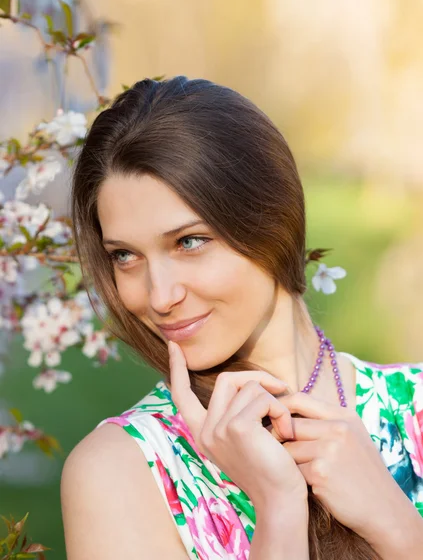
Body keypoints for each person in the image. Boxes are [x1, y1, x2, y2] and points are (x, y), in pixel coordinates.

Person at [61, 76, 423, 559]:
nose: (160, 296)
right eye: (126, 255)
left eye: (189, 242)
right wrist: (278, 510)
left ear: (271, 218)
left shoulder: (416, 410)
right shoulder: (120, 471)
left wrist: (398, 528)